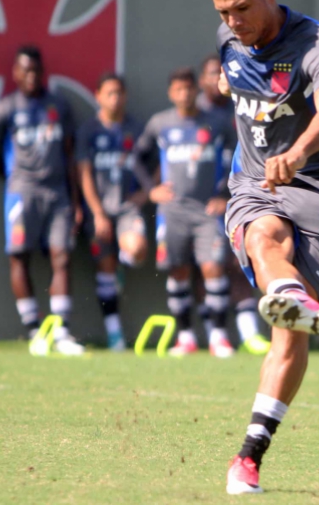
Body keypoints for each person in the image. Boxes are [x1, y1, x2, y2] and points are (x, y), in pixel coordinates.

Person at [210, 0, 319, 494]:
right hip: (255, 186)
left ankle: (254, 448)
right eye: (223, 11)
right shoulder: (230, 43)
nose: (234, 20)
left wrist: (296, 151)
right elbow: (231, 76)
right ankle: (287, 289)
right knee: (262, 236)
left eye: (243, 7)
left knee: (290, 336)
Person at [0, 45, 84, 356]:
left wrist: (75, 200)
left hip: (58, 194)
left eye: (36, 70)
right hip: (21, 194)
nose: (31, 76)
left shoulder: (58, 105)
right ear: (15, 73)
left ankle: (61, 330)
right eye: (25, 70)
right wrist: (14, 176)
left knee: (61, 256)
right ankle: (34, 330)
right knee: (19, 256)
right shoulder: (6, 108)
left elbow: (69, 154)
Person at [136, 67, 236, 358]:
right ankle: (186, 337)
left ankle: (218, 336)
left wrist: (225, 195)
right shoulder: (160, 123)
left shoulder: (217, 123)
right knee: (178, 271)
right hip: (173, 212)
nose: (184, 94)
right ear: (171, 93)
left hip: (208, 211)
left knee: (212, 268)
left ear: (197, 90)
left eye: (189, 88)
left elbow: (239, 159)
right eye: (178, 89)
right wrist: (150, 190)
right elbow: (137, 159)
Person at [198, 54, 271, 356]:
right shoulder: (192, 115)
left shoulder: (242, 107)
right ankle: (210, 333)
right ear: (203, 79)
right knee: (206, 265)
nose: (219, 79)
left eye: (223, 72)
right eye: (213, 73)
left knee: (242, 261)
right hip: (198, 209)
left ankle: (247, 332)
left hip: (240, 196)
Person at [76, 72, 150, 351]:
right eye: (109, 93)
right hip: (100, 211)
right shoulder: (89, 131)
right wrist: (96, 213)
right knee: (104, 270)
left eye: (119, 92)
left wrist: (145, 193)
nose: (115, 98)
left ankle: (122, 259)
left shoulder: (136, 129)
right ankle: (115, 333)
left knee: (138, 249)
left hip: (128, 209)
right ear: (98, 96)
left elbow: (157, 162)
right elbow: (83, 173)